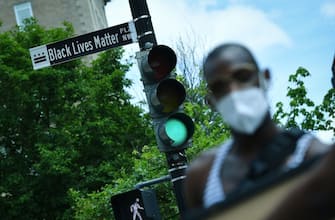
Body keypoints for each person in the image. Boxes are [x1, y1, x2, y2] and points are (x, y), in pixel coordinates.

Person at [183, 43, 331, 211]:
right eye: (220, 87)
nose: (233, 91)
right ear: (211, 102)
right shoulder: (200, 175)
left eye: (243, 76)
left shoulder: (315, 156)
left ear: (265, 78)